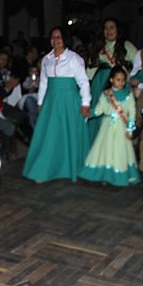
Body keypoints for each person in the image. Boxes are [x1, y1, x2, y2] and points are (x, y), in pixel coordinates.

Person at [23, 27, 91, 183]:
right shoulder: (46, 59)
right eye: (53, 37)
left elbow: (83, 82)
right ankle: (45, 170)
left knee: (68, 134)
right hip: (51, 101)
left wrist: (85, 103)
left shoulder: (74, 58)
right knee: (50, 135)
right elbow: (43, 83)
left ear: (65, 39)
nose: (56, 40)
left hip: (69, 101)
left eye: (59, 37)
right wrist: (40, 102)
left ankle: (70, 167)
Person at [79, 66, 139, 186]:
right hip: (107, 127)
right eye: (118, 80)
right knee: (105, 151)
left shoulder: (128, 95)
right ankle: (105, 175)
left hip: (122, 127)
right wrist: (89, 113)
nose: (121, 83)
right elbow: (99, 110)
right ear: (111, 80)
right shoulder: (106, 94)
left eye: (123, 80)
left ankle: (119, 175)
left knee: (120, 151)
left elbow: (132, 112)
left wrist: (130, 128)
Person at [87, 17, 137, 144]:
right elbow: (90, 70)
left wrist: (132, 78)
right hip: (100, 84)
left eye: (112, 27)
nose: (108, 31)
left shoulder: (127, 46)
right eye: (106, 28)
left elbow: (138, 65)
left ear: (118, 30)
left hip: (120, 84)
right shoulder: (98, 47)